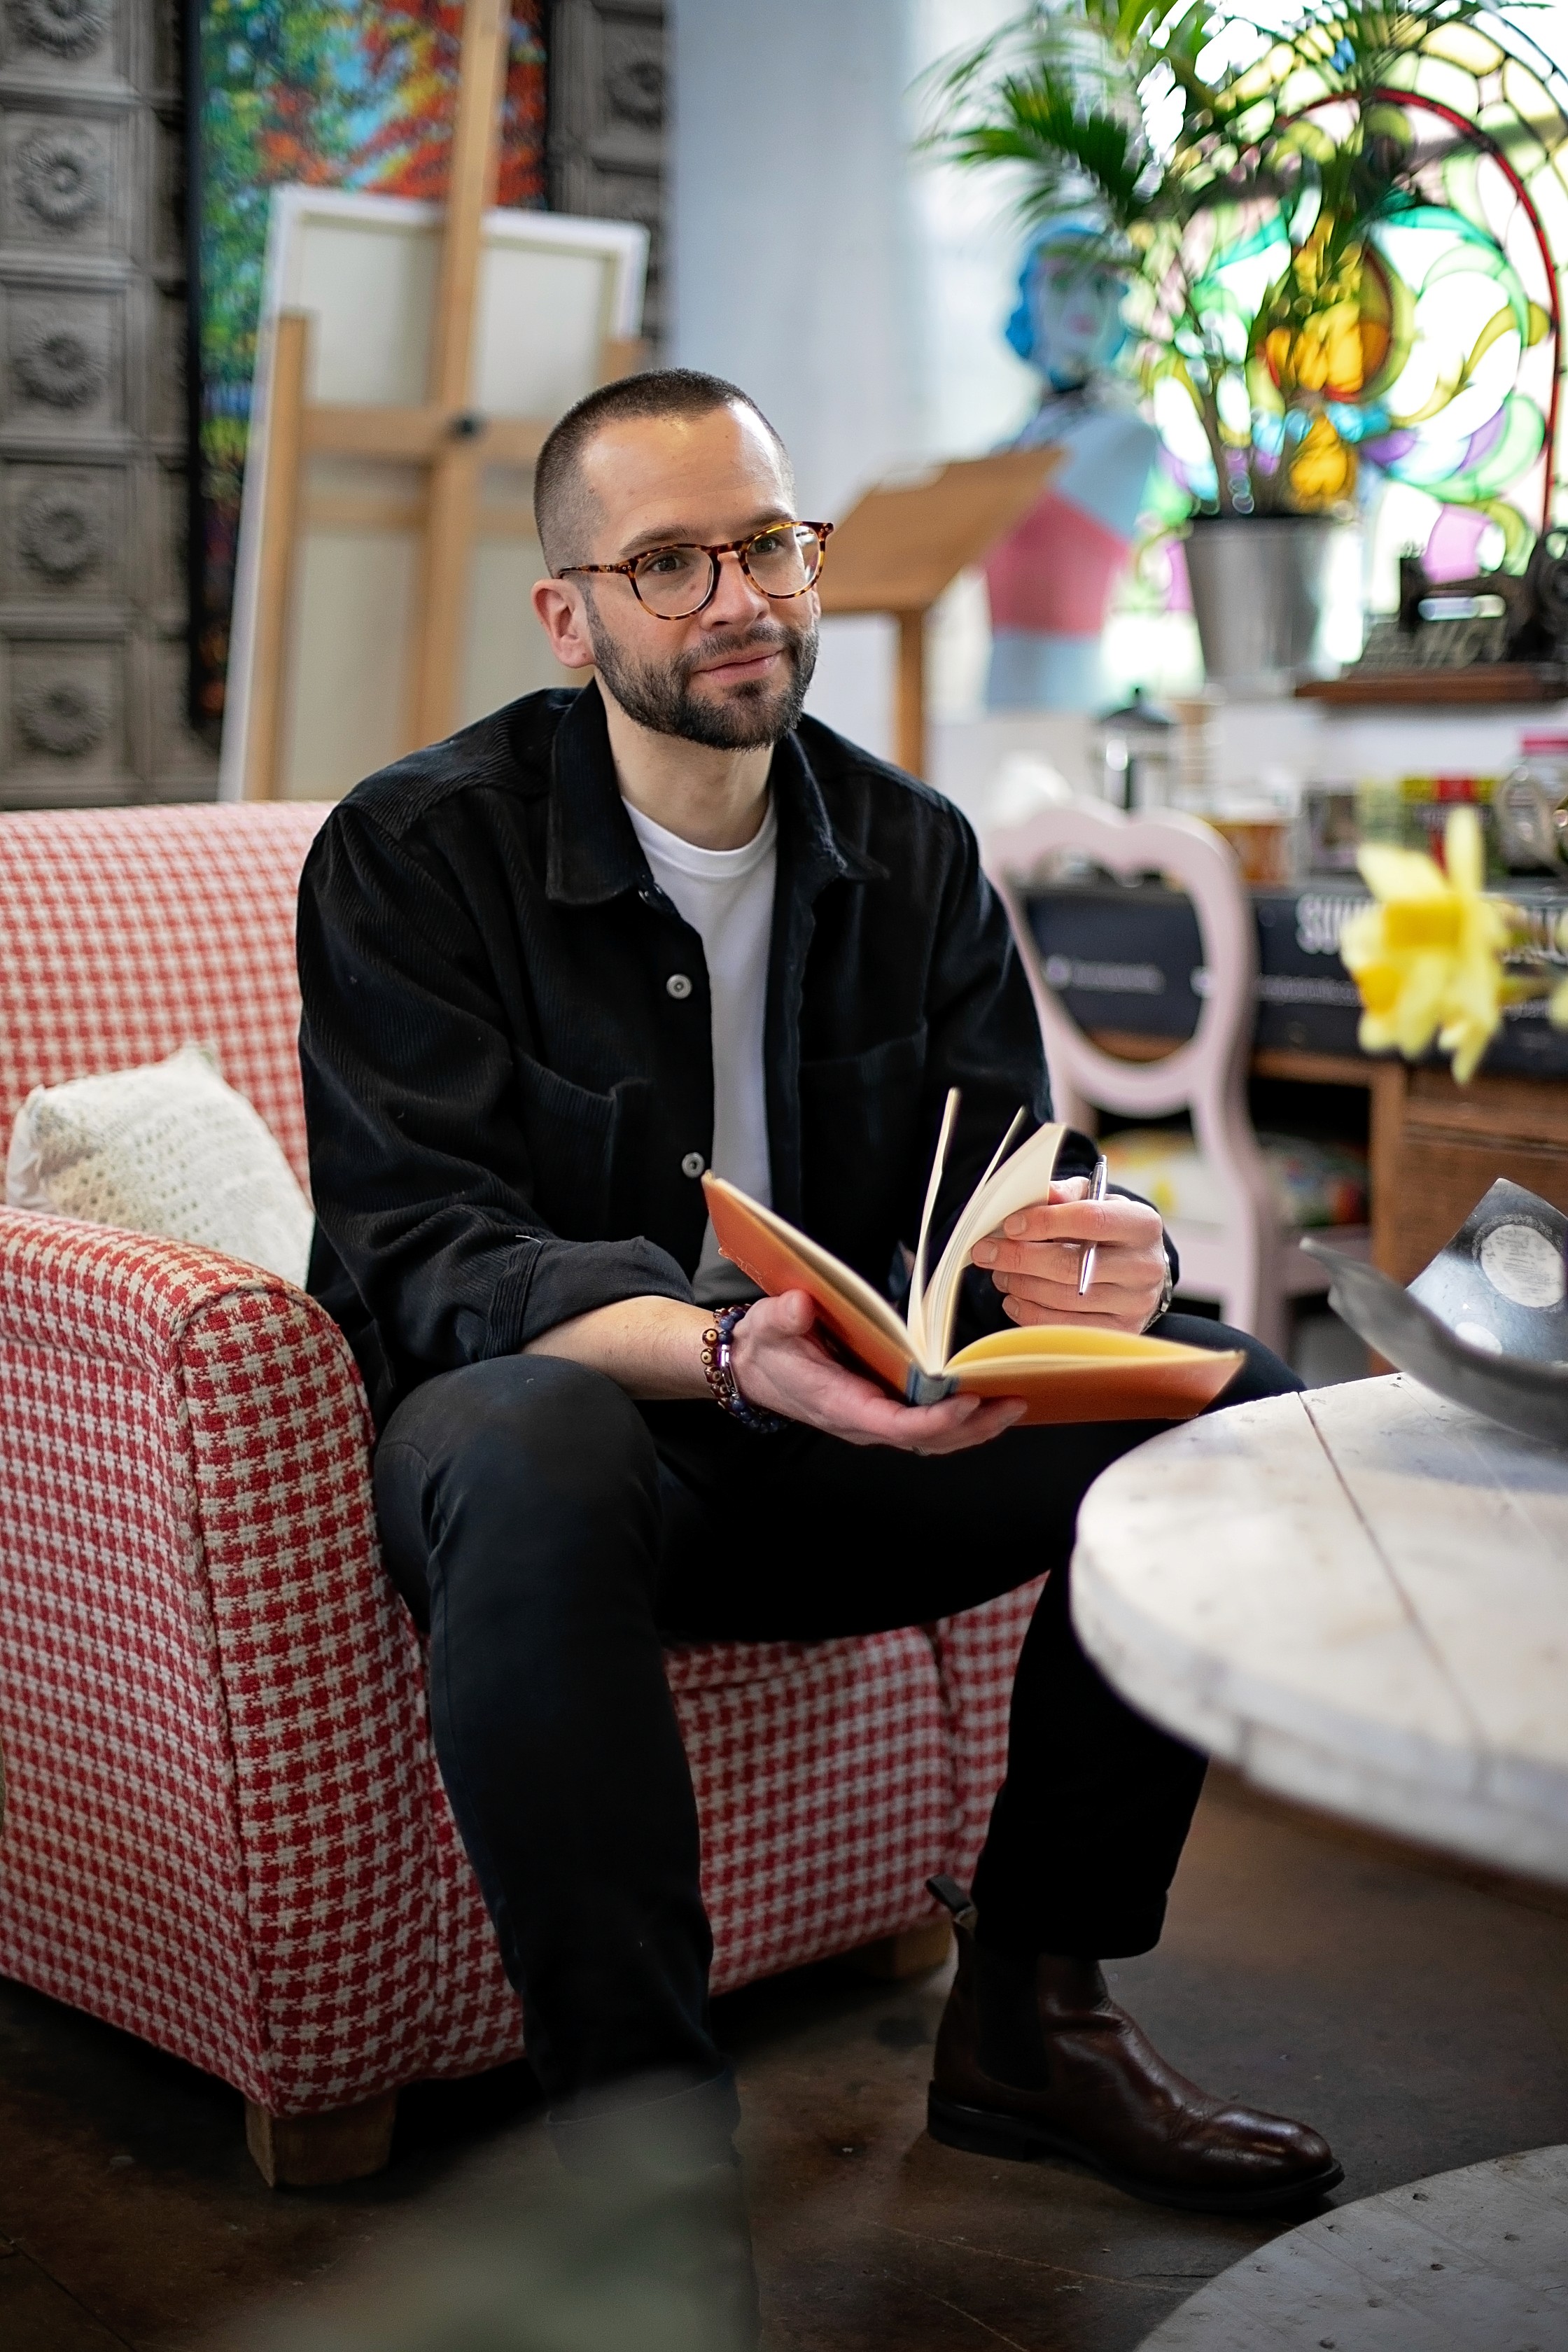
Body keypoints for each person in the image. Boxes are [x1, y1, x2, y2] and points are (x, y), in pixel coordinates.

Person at [296, 368, 1340, 2336]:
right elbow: (429, 1255)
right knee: (528, 1432)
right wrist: (721, 1352)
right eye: (670, 562)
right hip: (570, 1476)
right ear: (568, 613)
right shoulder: (412, 856)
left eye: (768, 544)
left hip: (856, 1440)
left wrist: (1091, 1264)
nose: (738, 598)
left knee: (1235, 1409)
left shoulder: (915, 850)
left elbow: (1012, 1189)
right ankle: (639, 2160)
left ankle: (1034, 2013)